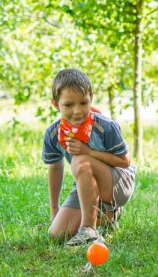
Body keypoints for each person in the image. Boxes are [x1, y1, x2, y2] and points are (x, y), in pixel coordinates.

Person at [42, 69, 135, 246]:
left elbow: (124, 161)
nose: (77, 111)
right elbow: (55, 167)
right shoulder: (53, 134)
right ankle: (110, 215)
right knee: (57, 234)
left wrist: (88, 152)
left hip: (118, 182)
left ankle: (89, 229)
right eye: (68, 105)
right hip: (85, 183)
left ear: (91, 97)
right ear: (55, 104)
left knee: (80, 160)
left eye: (84, 102)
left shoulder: (105, 126)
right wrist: (55, 209)